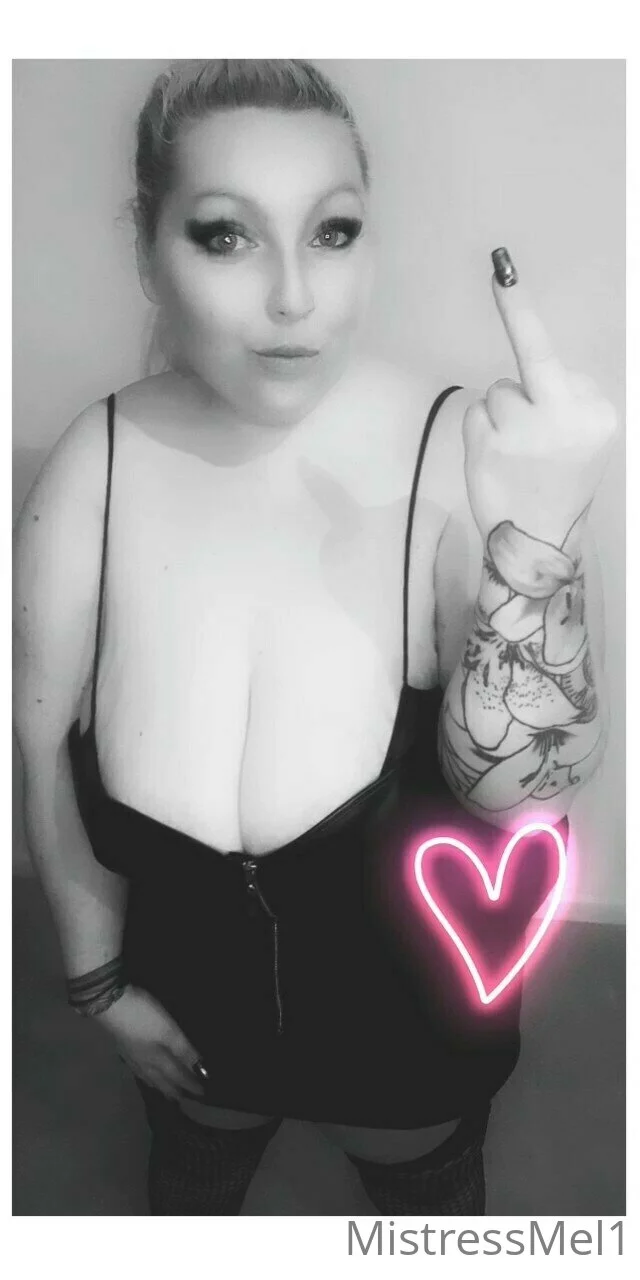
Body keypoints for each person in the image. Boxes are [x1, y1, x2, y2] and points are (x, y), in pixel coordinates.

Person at [12, 59, 618, 1216]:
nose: (294, 294)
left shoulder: (459, 454)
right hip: (190, 1048)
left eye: (332, 231)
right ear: (149, 250)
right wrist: (99, 984)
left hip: (413, 1064)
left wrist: (537, 537)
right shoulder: (97, 463)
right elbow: (40, 752)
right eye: (227, 235)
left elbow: (522, 796)